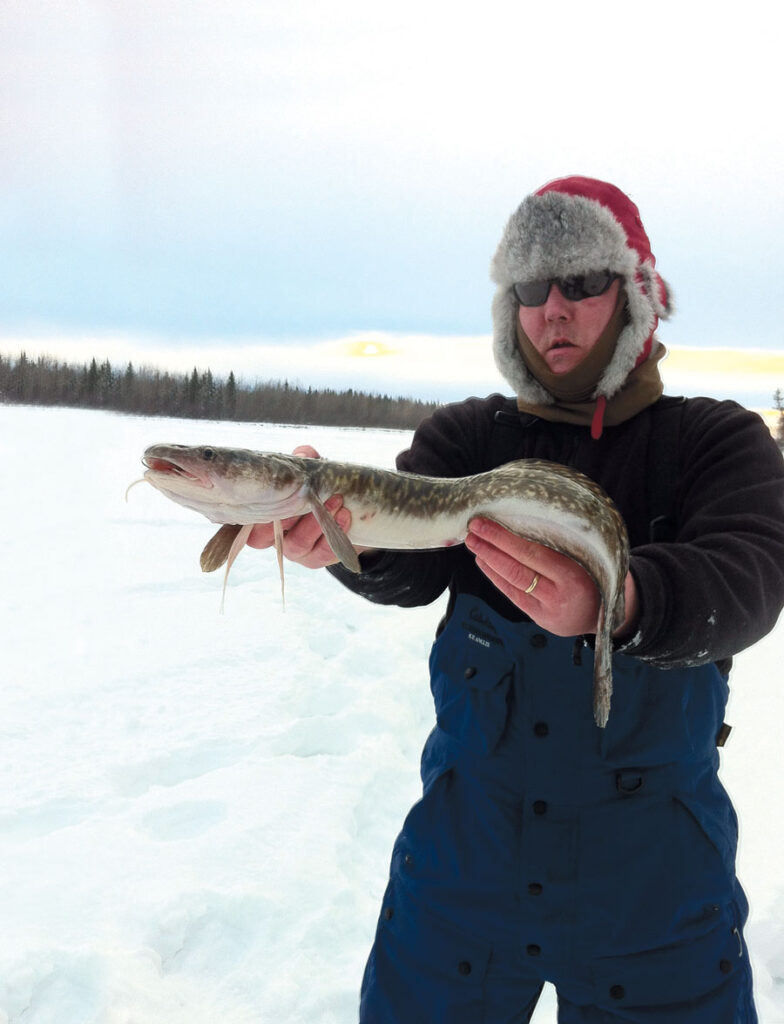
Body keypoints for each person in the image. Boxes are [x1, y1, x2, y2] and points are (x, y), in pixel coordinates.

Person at [247, 176, 784, 1022]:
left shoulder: (712, 441)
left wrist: (620, 601)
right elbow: (410, 561)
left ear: (635, 295)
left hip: (654, 892)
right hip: (464, 869)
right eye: (531, 289)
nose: (552, 309)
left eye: (581, 281)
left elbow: (750, 575)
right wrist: (345, 539)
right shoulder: (470, 438)